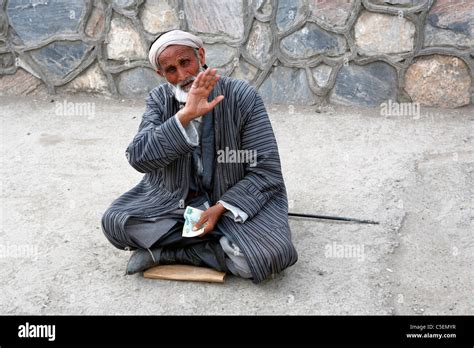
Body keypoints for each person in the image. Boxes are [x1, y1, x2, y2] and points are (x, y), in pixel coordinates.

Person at [101, 30, 297, 284]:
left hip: (228, 206)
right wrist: (185, 117)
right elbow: (139, 158)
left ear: (201, 55)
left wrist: (219, 209)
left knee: (271, 256)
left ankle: (167, 252)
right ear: (161, 75)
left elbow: (266, 170)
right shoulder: (160, 100)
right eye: (171, 70)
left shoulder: (242, 96)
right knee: (115, 223)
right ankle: (214, 247)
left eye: (185, 62)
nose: (182, 76)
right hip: (173, 204)